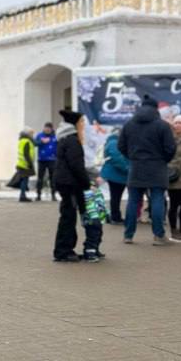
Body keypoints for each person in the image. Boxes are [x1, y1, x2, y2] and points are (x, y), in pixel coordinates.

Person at [118, 95, 177, 246]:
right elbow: (170, 148)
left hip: (136, 167)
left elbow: (121, 146)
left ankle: (128, 235)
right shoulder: (162, 125)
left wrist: (132, 157)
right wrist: (163, 160)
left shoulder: (129, 124)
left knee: (133, 201)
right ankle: (158, 236)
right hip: (157, 168)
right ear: (156, 109)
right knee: (157, 200)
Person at [52, 110, 94, 262]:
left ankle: (64, 249)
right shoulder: (72, 141)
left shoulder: (64, 139)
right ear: (75, 124)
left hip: (64, 183)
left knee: (67, 216)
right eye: (81, 122)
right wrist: (86, 183)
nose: (83, 125)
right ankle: (63, 250)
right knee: (68, 217)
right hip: (69, 184)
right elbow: (76, 165)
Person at [100, 129, 129, 224]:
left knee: (115, 196)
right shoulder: (114, 143)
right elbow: (117, 159)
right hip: (116, 174)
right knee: (116, 196)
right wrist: (127, 168)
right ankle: (115, 217)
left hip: (115, 174)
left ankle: (115, 216)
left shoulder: (111, 142)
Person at [6, 129, 36, 202]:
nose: (32, 135)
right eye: (31, 133)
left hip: (21, 163)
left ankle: (23, 195)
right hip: (25, 165)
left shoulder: (22, 140)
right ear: (28, 134)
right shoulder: (27, 141)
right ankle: (22, 196)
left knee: (23, 180)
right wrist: (30, 164)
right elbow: (26, 154)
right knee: (24, 181)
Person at [34, 122, 58, 201]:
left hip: (52, 160)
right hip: (42, 160)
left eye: (49, 129)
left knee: (53, 178)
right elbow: (34, 143)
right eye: (46, 128)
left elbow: (59, 146)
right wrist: (41, 142)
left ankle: (53, 195)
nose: (47, 130)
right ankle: (38, 195)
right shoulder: (40, 135)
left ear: (51, 129)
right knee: (40, 178)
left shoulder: (55, 136)